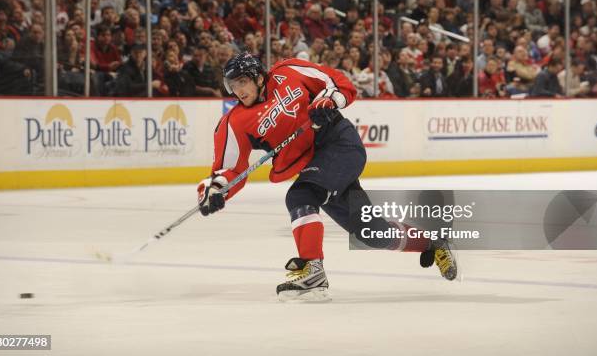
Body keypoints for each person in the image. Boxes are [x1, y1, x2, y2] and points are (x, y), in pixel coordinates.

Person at [196, 52, 458, 301]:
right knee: (371, 233)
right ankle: (432, 241)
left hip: (340, 145)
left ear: (257, 76)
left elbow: (337, 82)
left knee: (301, 195)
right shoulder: (235, 122)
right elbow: (227, 170)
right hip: (317, 168)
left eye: (243, 82)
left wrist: (328, 101)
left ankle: (312, 270)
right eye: (233, 85)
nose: (239, 91)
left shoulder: (288, 72)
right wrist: (216, 189)